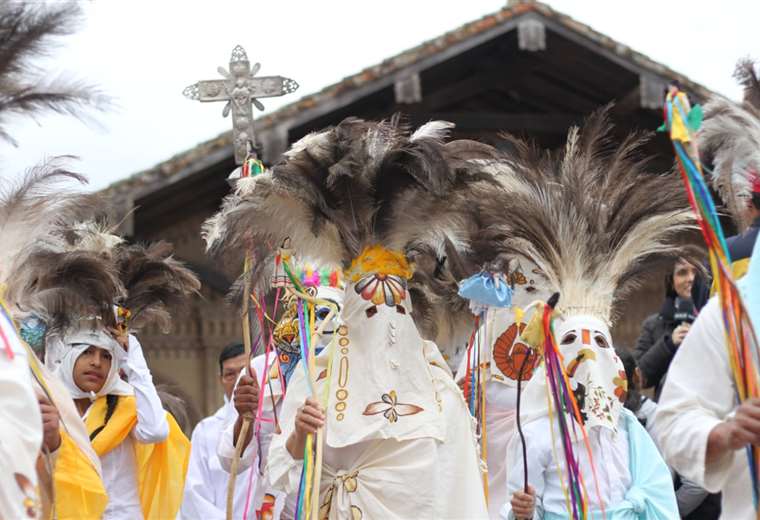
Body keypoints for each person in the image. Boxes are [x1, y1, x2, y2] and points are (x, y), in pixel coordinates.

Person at [204, 118, 495, 518]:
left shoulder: (436, 382)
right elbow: (276, 473)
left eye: (395, 308)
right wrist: (298, 436)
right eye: (372, 309)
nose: (385, 322)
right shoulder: (317, 376)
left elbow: (456, 483)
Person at [495, 109, 682, 519]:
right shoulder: (534, 435)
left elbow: (656, 494)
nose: (585, 353)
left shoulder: (628, 429)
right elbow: (520, 508)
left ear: (613, 357)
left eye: (598, 342)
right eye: (570, 341)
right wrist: (522, 513)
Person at [217, 267, 345, 520]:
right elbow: (231, 462)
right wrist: (244, 418)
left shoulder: (356, 371)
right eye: (312, 313)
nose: (322, 324)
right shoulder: (259, 370)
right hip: (275, 509)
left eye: (330, 314)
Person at [652, 237, 760, 519]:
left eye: (692, 273)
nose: (688, 280)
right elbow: (672, 422)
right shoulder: (731, 313)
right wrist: (726, 433)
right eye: (681, 272)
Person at [180, 342, 250, 519]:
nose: (237, 380)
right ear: (220, 379)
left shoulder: (275, 422)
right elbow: (193, 496)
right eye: (229, 374)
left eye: (243, 371)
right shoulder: (205, 432)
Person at [633, 255, 700, 400]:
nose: (691, 278)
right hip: (669, 411)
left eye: (696, 272)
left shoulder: (717, 318)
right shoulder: (653, 325)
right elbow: (639, 379)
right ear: (671, 282)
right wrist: (668, 344)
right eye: (683, 272)